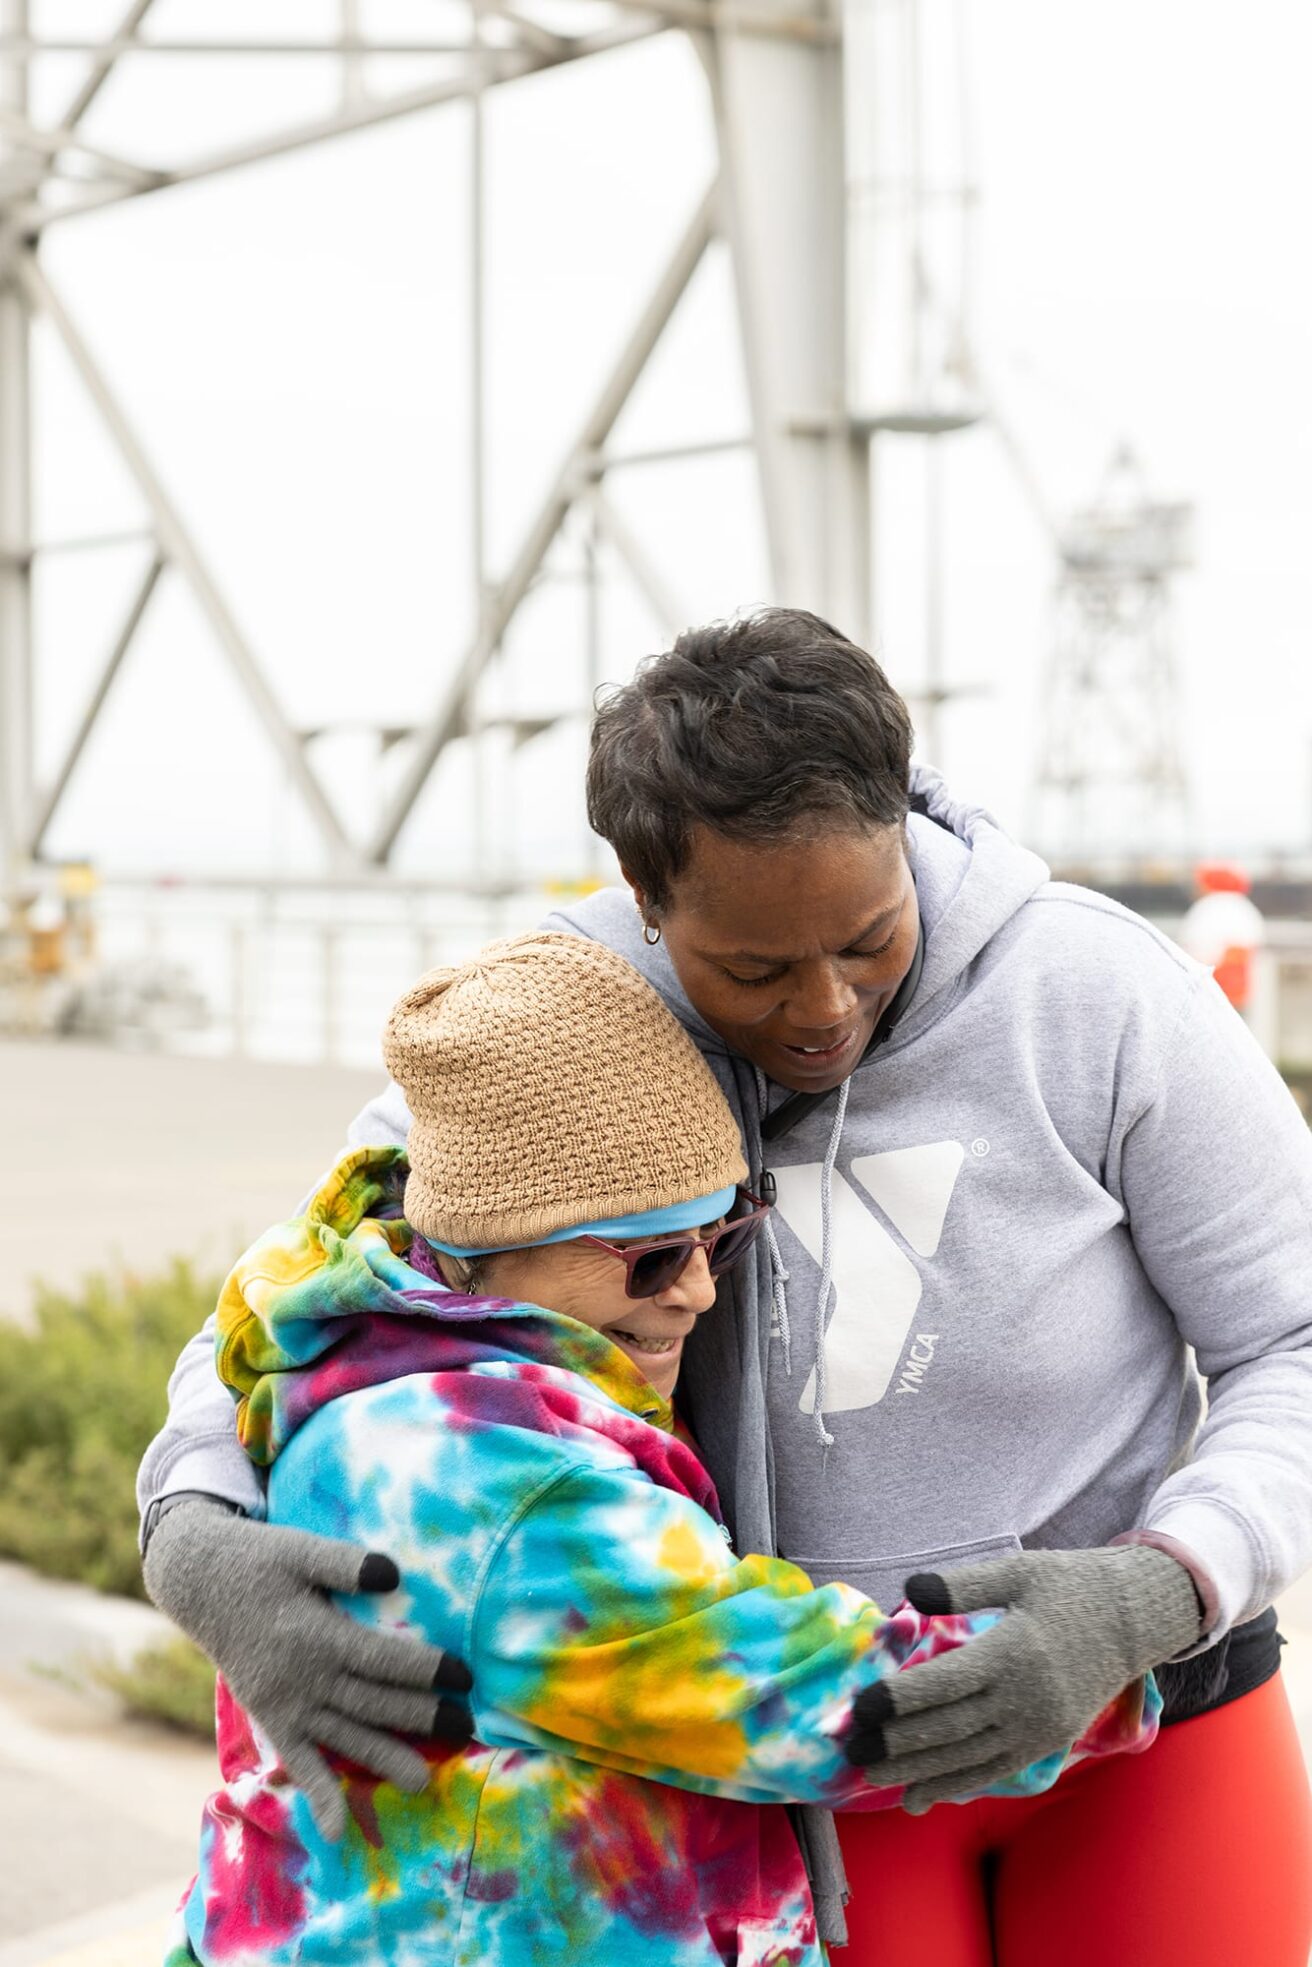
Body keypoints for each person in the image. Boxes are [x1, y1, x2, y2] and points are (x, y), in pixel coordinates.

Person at [143, 610, 1312, 1965]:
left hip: (1152, 1712)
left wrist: (1158, 1589)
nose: (824, 1006)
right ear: (647, 900)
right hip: (813, 1757)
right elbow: (328, 1281)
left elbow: (1293, 1332)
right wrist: (193, 1530)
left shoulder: (1102, 993)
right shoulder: (556, 1020)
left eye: (871, 936)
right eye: (755, 968)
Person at [164, 935, 1157, 1967]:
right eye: (648, 1257)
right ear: (476, 1252)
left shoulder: (341, 1330)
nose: (698, 1290)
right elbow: (810, 1703)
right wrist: (1129, 1638)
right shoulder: (494, 1479)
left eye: (719, 1233)